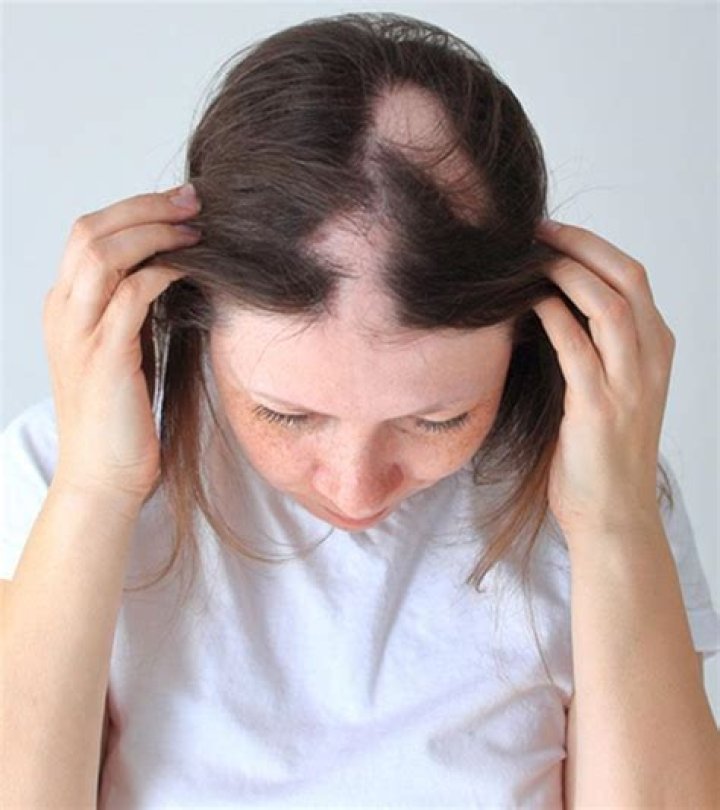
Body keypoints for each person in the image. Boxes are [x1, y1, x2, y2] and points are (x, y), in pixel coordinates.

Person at [2, 11, 718, 809]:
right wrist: (95, 490)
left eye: (438, 419)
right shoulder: (61, 465)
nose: (355, 488)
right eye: (286, 415)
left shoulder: (603, 481)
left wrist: (615, 521)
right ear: (193, 317)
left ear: (527, 337)